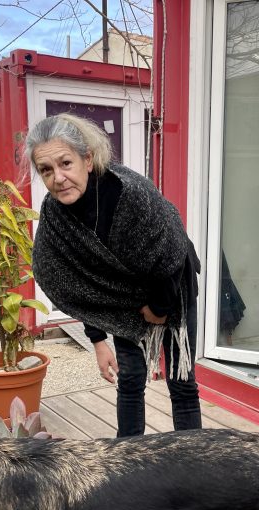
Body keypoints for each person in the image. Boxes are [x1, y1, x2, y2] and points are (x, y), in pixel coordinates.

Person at [27, 113, 202, 437]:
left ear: (88, 159)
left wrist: (159, 310)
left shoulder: (130, 193)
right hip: (126, 301)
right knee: (131, 381)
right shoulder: (56, 214)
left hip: (173, 287)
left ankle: (193, 465)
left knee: (182, 383)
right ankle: (129, 463)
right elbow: (81, 282)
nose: (58, 178)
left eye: (66, 163)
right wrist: (98, 340)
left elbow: (171, 249)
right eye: (46, 170)